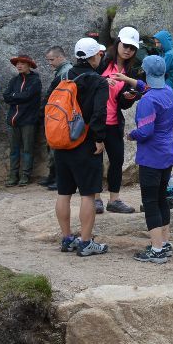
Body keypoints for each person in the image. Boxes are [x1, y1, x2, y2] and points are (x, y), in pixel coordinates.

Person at [55, 37, 110, 257]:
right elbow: (99, 113)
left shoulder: (64, 76)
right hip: (85, 142)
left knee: (64, 193)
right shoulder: (98, 81)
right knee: (88, 194)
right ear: (93, 56)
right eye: (99, 54)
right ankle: (86, 242)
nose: (100, 57)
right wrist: (99, 139)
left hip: (62, 141)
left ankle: (67, 238)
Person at [120, 54, 173, 264]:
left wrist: (130, 134)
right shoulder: (168, 91)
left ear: (145, 71)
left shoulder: (147, 101)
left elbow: (145, 132)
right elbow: (147, 85)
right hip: (167, 154)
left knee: (150, 202)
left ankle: (156, 249)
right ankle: (165, 242)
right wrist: (126, 80)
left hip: (151, 157)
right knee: (162, 198)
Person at [96, 27, 142, 214]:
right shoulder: (103, 61)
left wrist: (129, 97)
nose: (128, 50)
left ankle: (114, 200)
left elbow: (122, 103)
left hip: (114, 122)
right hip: (97, 121)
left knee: (117, 160)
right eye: (125, 45)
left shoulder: (131, 70)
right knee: (95, 160)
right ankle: (95, 198)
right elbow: (85, 82)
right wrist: (102, 82)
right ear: (118, 44)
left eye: (132, 47)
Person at [3, 54, 42, 187]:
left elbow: (27, 96)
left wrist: (15, 96)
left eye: (22, 63)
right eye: (17, 63)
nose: (19, 66)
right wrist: (17, 96)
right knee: (14, 150)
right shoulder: (14, 80)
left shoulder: (35, 81)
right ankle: (13, 176)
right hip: (13, 121)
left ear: (29, 65)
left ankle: (25, 175)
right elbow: (6, 96)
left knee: (27, 149)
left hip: (28, 121)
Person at [40, 46, 71, 188]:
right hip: (56, 115)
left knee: (58, 148)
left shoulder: (66, 72)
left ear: (60, 57)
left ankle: (60, 179)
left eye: (52, 59)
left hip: (60, 116)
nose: (50, 63)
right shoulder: (61, 71)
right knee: (52, 146)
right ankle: (53, 177)